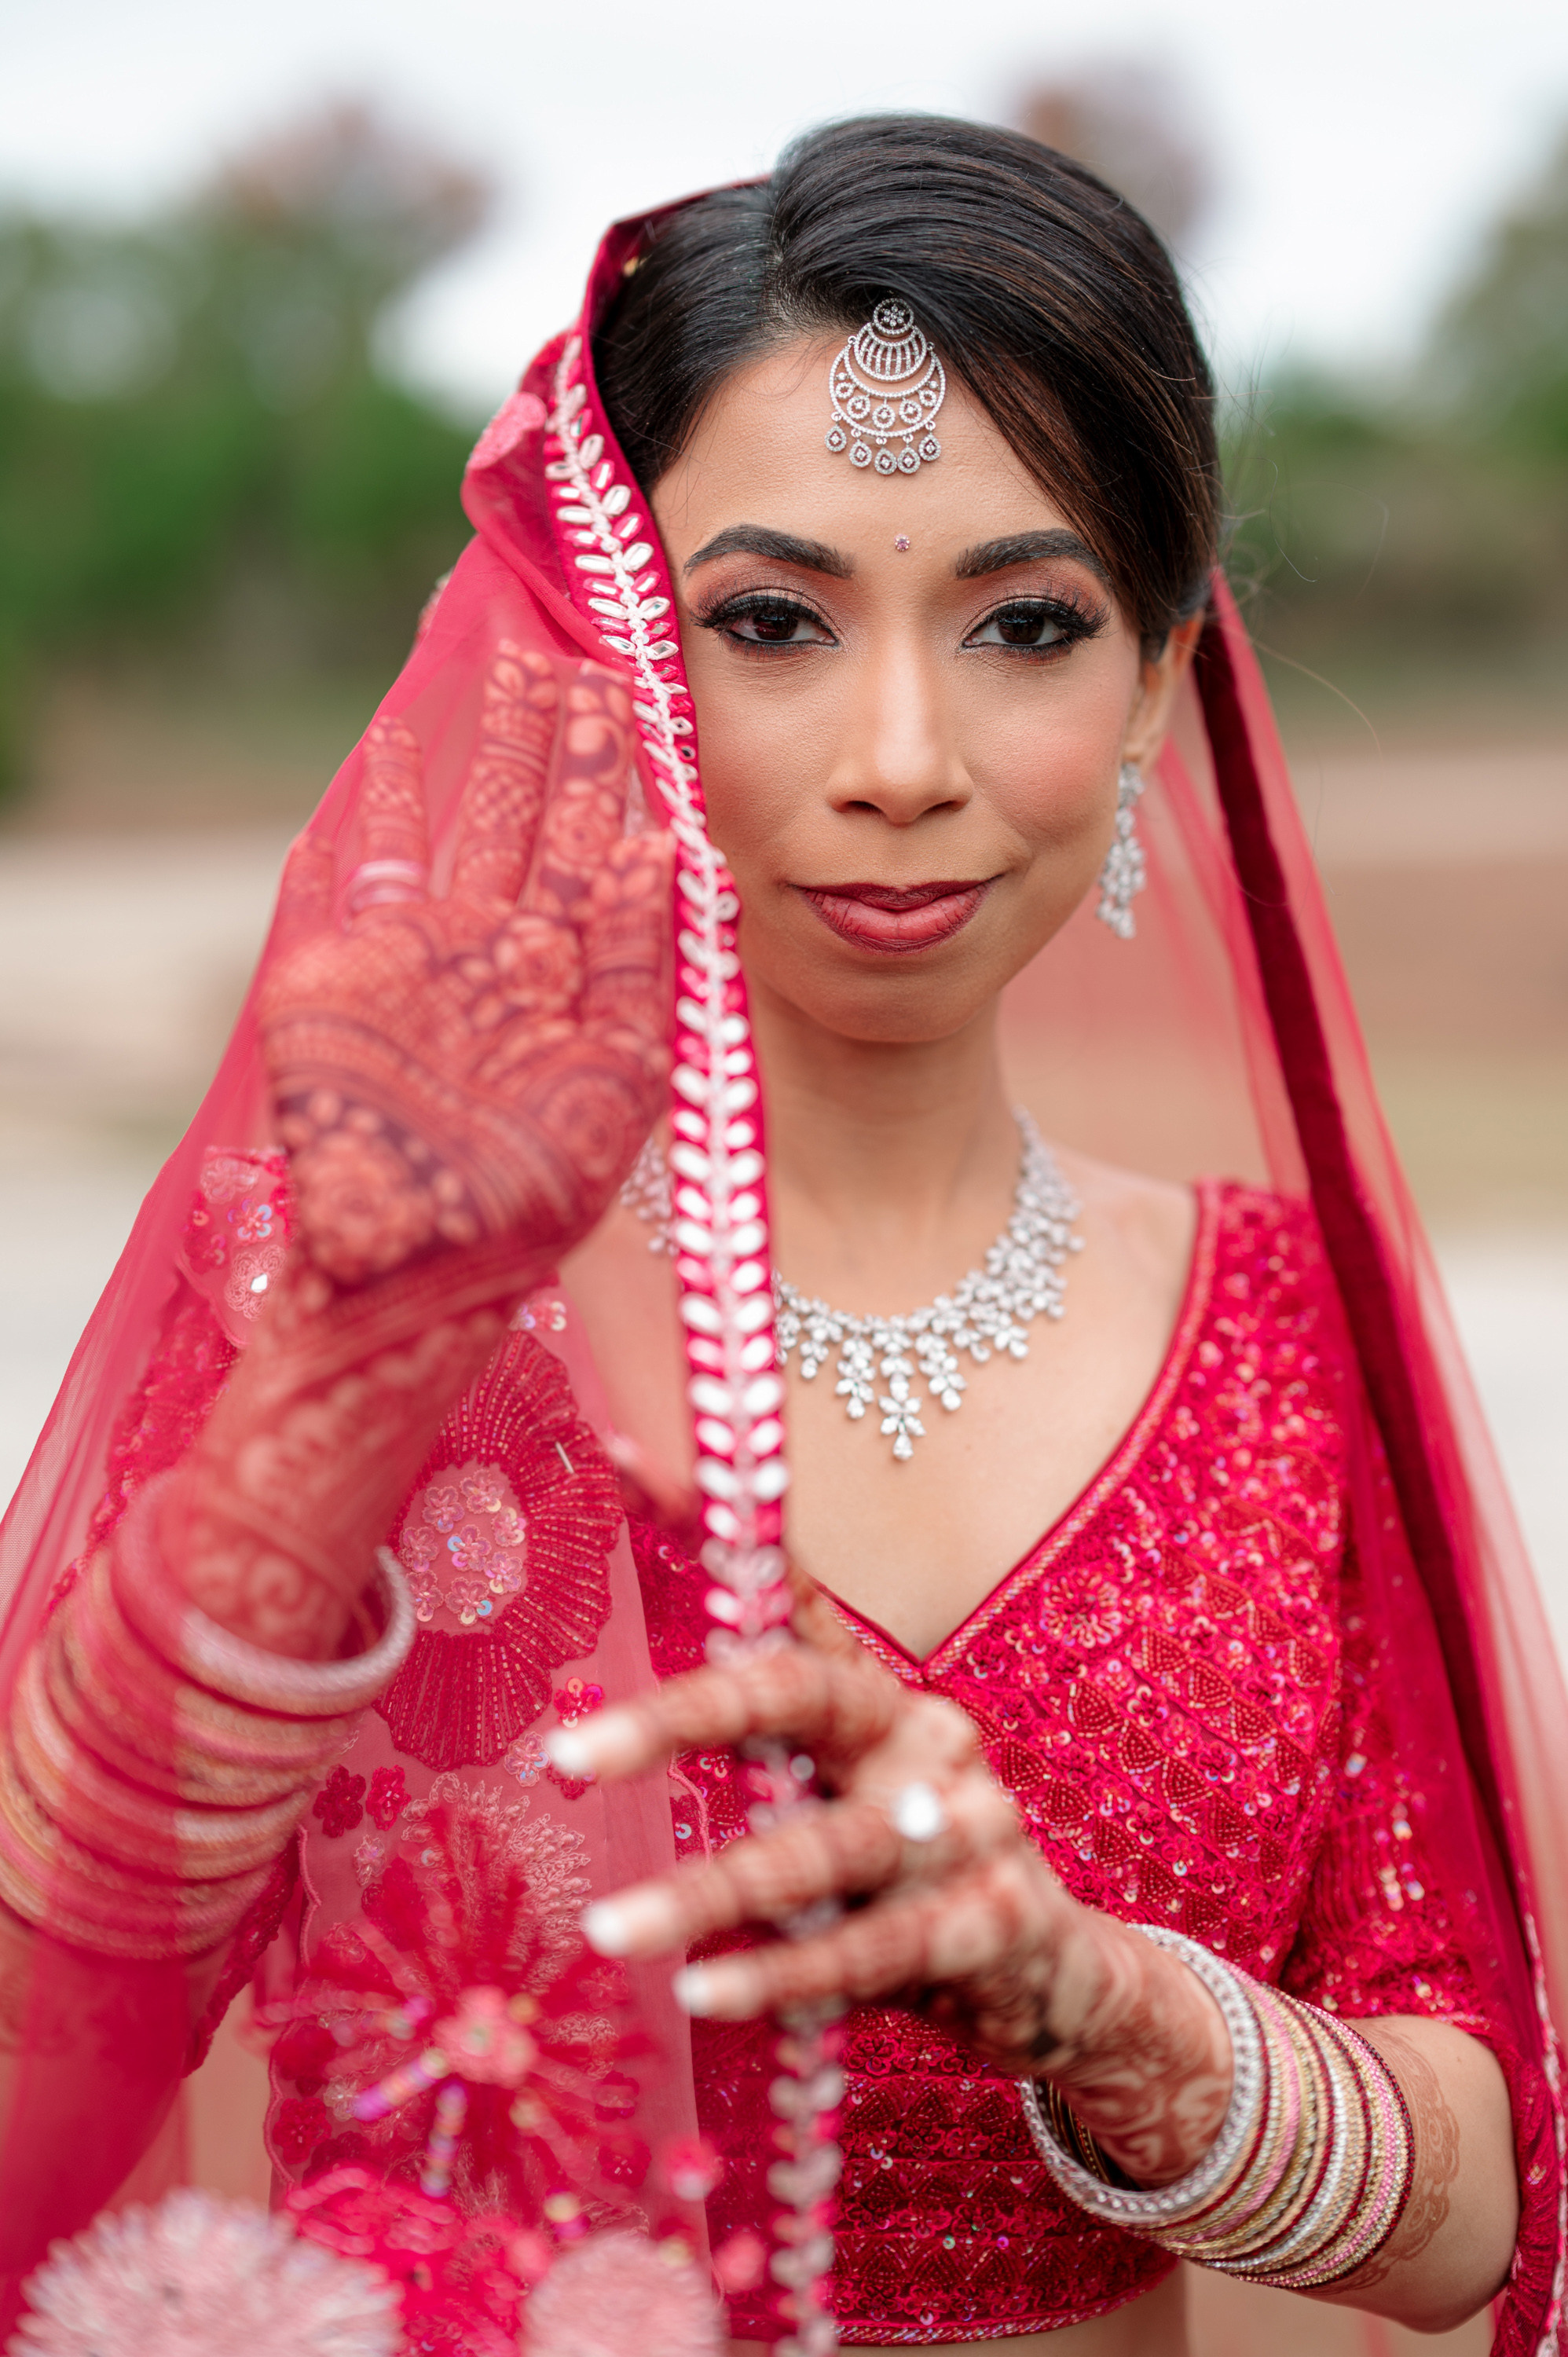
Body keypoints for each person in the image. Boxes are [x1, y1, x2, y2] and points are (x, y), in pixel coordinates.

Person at [0, 114, 1562, 2357]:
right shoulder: (346, 1290)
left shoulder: (1278, 1325)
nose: (900, 752)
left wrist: (1094, 2001)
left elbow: (1483, 2207)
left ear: (1147, 686)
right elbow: (40, 2052)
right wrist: (347, 1400)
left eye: (1023, 623)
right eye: (769, 621)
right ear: (621, 647)